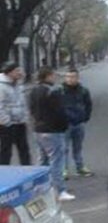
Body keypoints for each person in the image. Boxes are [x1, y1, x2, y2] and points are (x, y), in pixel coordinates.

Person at [29, 67, 74, 201]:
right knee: (56, 161)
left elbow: (31, 109)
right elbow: (59, 112)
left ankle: (39, 188)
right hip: (53, 130)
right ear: (48, 76)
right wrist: (64, 125)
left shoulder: (34, 91)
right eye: (53, 75)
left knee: (42, 160)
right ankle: (59, 190)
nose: (54, 78)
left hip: (39, 129)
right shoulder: (52, 92)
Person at [61, 68, 93, 178]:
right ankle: (63, 169)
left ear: (78, 78)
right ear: (65, 78)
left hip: (79, 123)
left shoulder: (83, 91)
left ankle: (80, 167)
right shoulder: (60, 91)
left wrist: (85, 117)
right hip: (64, 124)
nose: (71, 79)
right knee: (63, 148)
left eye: (73, 77)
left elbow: (88, 105)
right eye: (68, 77)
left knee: (78, 148)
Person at [0, 62, 31, 165]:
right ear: (9, 72)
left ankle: (27, 172)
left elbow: (23, 103)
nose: (20, 72)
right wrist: (6, 121)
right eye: (17, 70)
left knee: (24, 150)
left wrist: (25, 118)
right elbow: (1, 106)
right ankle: (4, 174)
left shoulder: (18, 84)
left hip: (20, 122)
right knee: (6, 151)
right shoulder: (1, 86)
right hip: (7, 125)